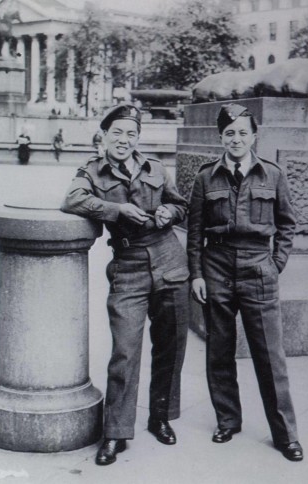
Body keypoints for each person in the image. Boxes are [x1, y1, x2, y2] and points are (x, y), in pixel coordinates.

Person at [61, 103, 190, 466]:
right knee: (125, 352)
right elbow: (71, 199)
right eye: (117, 132)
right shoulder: (91, 171)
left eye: (131, 134)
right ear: (103, 136)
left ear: (138, 139)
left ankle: (160, 417)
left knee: (171, 346)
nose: (124, 140)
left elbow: (181, 205)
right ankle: (116, 433)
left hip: (169, 261)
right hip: (128, 266)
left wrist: (169, 212)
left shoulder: (157, 169)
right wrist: (115, 210)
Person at [187, 102, 303, 462]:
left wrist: (276, 264)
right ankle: (228, 421)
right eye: (229, 133)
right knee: (219, 351)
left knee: (270, 356)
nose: (235, 139)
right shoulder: (206, 177)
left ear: (254, 136)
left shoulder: (273, 174)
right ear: (220, 137)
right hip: (217, 267)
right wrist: (197, 274)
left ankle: (285, 434)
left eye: (242, 133)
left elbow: (287, 225)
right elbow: (193, 232)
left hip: (258, 268)